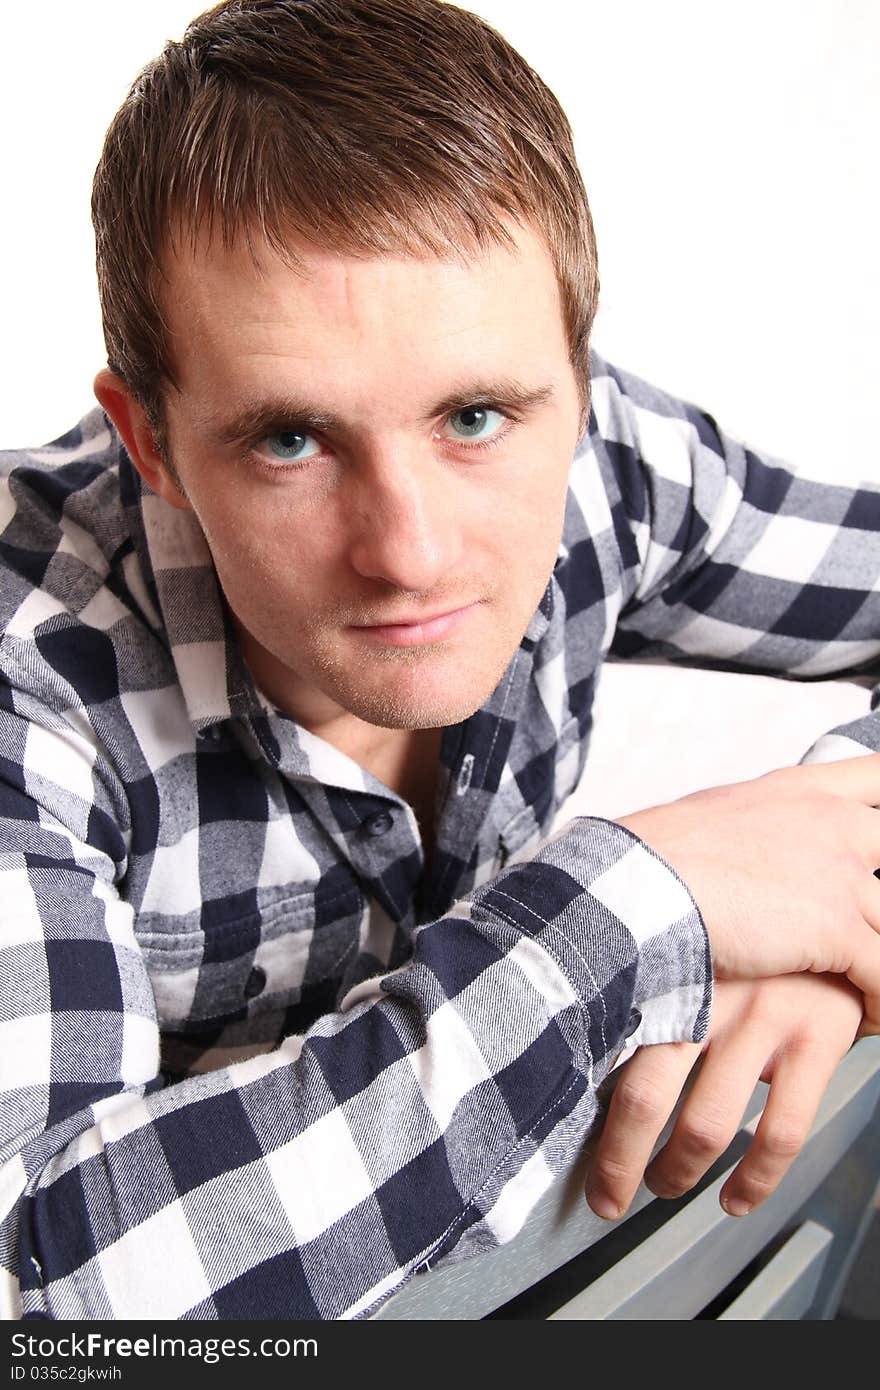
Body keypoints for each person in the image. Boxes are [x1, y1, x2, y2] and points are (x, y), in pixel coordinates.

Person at [1, 0, 878, 1321]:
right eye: (291, 441)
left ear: (577, 380)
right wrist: (647, 906)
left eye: (475, 417)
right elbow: (48, 1301)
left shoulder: (609, 460)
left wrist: (835, 907)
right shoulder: (30, 662)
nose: (407, 552)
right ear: (153, 441)